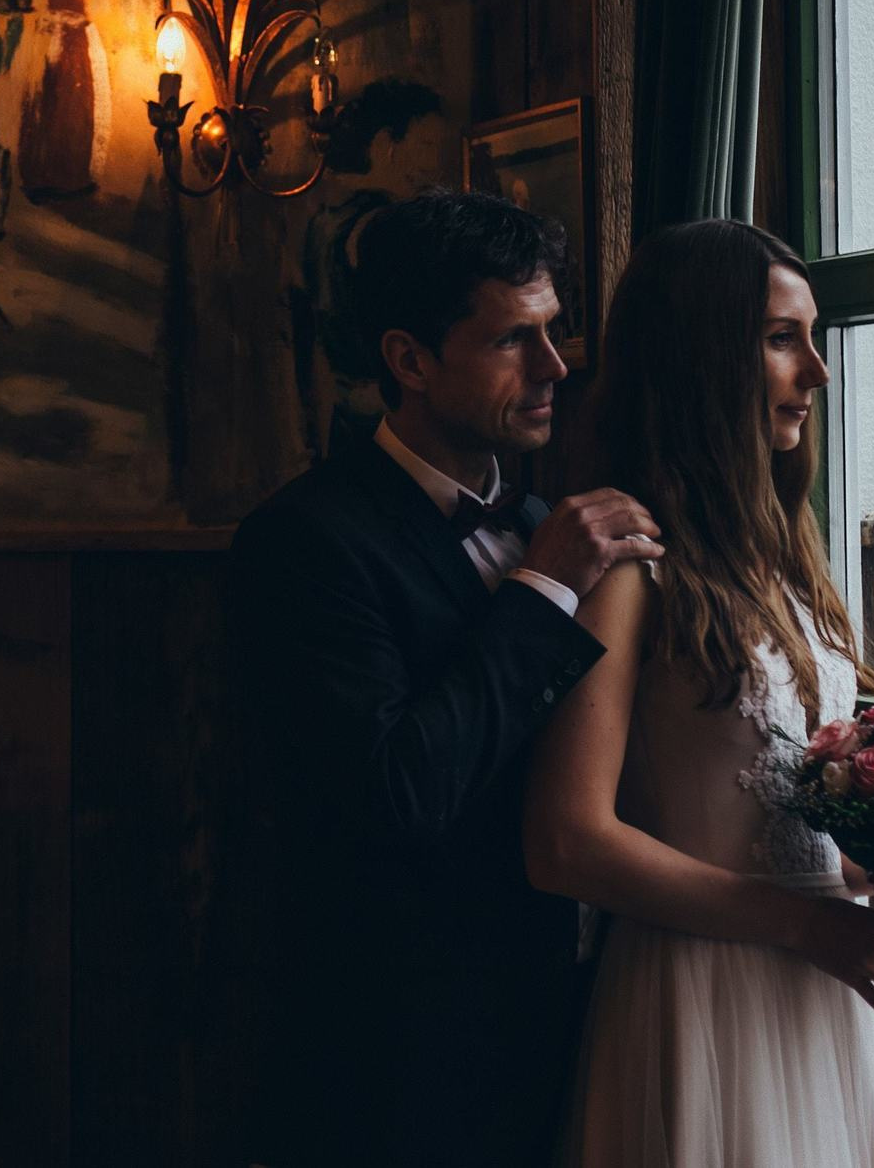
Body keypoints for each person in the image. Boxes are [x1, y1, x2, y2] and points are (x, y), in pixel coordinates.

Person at [231, 189, 666, 1167]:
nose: (555, 365)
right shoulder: (303, 542)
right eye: (513, 339)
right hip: (397, 1064)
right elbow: (395, 791)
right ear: (410, 360)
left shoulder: (550, 524)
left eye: (553, 330)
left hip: (579, 1023)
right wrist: (542, 589)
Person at [526, 218, 874, 1166]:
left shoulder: (786, 564)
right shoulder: (630, 570)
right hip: (700, 1001)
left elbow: (781, 812)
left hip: (824, 999)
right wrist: (808, 921)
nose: (817, 371)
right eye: (783, 338)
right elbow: (565, 840)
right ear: (702, 359)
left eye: (812, 337)